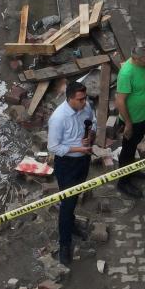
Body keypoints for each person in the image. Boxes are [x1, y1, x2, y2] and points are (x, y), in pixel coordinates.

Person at [47, 81, 95, 266]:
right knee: (67, 204)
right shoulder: (58, 118)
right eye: (80, 100)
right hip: (67, 164)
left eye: (85, 98)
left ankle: (71, 222)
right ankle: (64, 243)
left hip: (83, 161)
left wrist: (90, 136)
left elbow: (94, 123)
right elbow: (53, 147)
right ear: (69, 99)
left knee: (73, 199)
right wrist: (78, 149)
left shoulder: (86, 107)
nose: (84, 102)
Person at [114, 39, 145, 198]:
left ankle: (132, 170)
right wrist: (128, 124)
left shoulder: (144, 65)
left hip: (143, 116)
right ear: (136, 58)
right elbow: (120, 101)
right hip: (132, 120)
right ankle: (123, 182)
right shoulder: (127, 73)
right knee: (127, 150)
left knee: (133, 147)